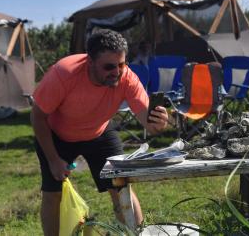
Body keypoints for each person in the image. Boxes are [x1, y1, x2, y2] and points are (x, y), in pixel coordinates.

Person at [31, 29, 168, 236]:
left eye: (122, 64)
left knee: (121, 188)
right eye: (109, 66)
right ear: (90, 62)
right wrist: (53, 159)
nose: (117, 71)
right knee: (53, 194)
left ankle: (137, 234)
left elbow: (147, 120)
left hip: (100, 131)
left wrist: (157, 123)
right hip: (57, 135)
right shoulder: (64, 74)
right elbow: (37, 116)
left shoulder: (127, 78)